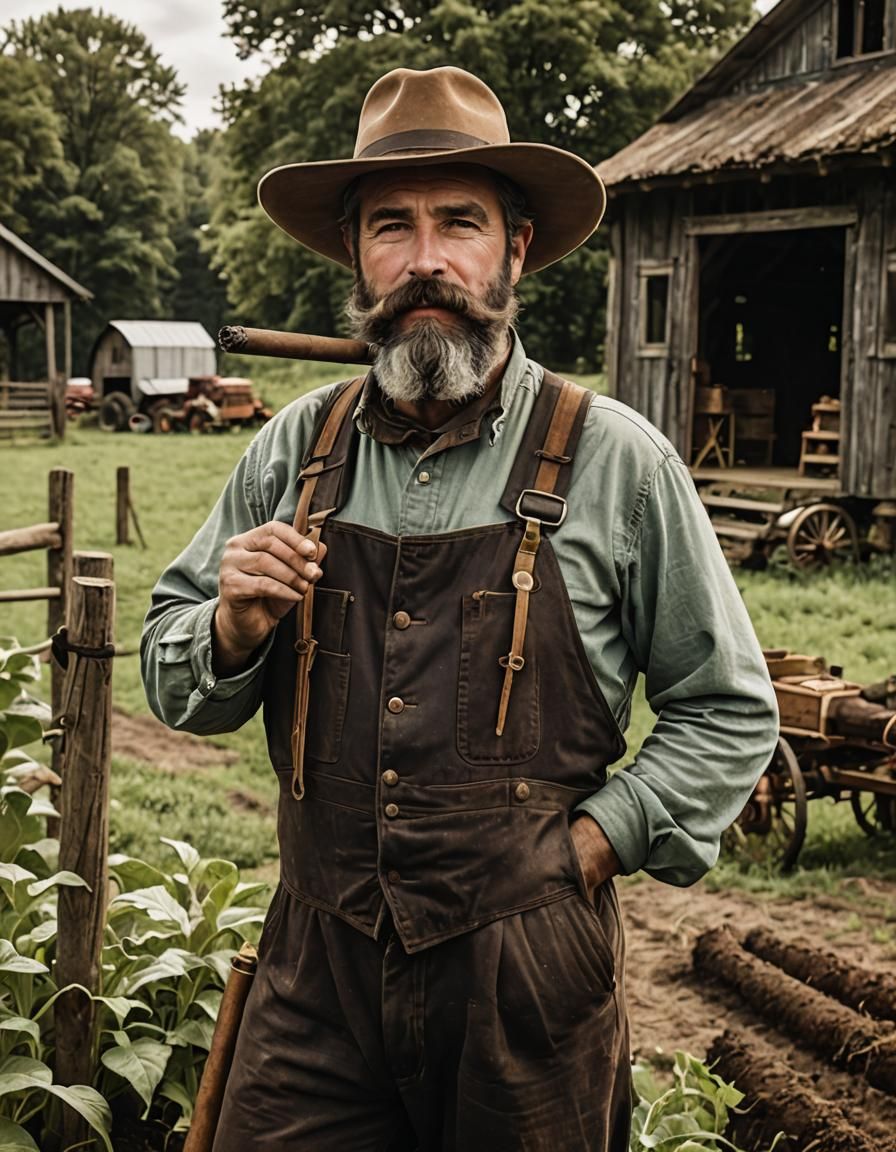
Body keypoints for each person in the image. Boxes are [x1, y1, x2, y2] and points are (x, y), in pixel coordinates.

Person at [142, 65, 778, 1152]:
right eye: (392, 225)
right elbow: (171, 674)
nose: (426, 259)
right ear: (355, 254)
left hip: (526, 988)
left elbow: (726, 709)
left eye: (460, 223)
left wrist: (595, 843)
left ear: (514, 250)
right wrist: (229, 630)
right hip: (315, 975)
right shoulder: (293, 451)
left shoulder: (617, 462)